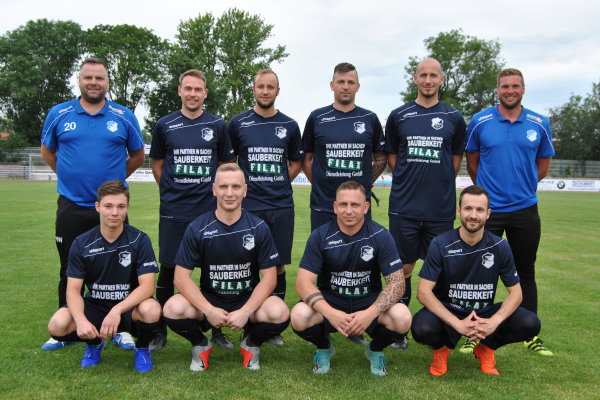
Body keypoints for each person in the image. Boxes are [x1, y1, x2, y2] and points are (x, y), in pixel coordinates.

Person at [40, 57, 145, 351]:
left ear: (107, 82)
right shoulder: (59, 113)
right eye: (88, 78)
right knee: (69, 269)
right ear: (80, 80)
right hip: (72, 205)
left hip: (112, 207)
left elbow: (137, 156)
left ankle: (122, 326)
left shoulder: (123, 116)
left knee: (120, 268)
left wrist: (111, 188)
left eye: (99, 78)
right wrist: (69, 176)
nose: (94, 83)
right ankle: (68, 325)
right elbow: (48, 151)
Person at [162, 163, 290, 371]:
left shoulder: (259, 227)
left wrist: (246, 311)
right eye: (223, 187)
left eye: (236, 187)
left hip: (247, 297)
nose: (229, 193)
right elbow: (180, 277)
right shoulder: (197, 227)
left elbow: (269, 278)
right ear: (214, 190)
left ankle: (251, 344)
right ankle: (201, 345)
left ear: (245, 190)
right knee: (172, 308)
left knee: (280, 312)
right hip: (210, 297)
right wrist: (208, 310)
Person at [466, 68, 554, 356]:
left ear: (523, 89)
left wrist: (522, 186)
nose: (510, 90)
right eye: (505, 86)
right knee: (481, 274)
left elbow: (542, 167)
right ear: (498, 89)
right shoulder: (480, 121)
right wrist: (489, 196)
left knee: (525, 271)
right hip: (489, 212)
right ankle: (473, 331)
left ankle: (531, 333)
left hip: (525, 209)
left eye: (515, 86)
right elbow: (473, 163)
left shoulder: (540, 123)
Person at [411, 185, 541, 375]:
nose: (473, 215)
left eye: (479, 210)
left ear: (488, 214)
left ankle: (486, 349)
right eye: (468, 208)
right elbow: (423, 292)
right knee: (422, 327)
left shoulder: (500, 245)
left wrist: (494, 321)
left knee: (530, 323)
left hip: (484, 312)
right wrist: (457, 324)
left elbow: (517, 294)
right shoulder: (441, 243)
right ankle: (441, 350)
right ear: (459, 211)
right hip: (451, 309)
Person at [384, 58, 466, 350]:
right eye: (423, 75)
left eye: (434, 75)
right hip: (404, 208)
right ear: (415, 79)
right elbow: (394, 158)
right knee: (402, 269)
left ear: (442, 79)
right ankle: (399, 329)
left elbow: (454, 161)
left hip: (439, 209)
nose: (428, 80)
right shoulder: (399, 115)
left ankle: (441, 330)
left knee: (440, 272)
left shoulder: (454, 117)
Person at [150, 69, 234, 350]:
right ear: (179, 91)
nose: (193, 94)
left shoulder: (218, 126)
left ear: (205, 93)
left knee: (216, 270)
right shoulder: (164, 124)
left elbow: (225, 166)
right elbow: (158, 166)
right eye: (188, 89)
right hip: (174, 209)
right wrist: (174, 191)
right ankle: (159, 328)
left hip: (210, 210)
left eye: (198, 89)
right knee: (169, 267)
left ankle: (218, 328)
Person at [291, 181, 411, 376]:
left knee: (402, 317)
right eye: (343, 204)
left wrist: (370, 313)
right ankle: (323, 348)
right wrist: (330, 313)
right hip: (331, 298)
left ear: (365, 207)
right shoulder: (320, 236)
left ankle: (375, 350)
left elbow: (398, 283)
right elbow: (303, 284)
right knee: (299, 315)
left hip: (368, 299)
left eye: (355, 205)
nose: (348, 210)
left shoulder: (381, 235)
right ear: (335, 207)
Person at [46, 180, 162, 373]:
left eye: (120, 206)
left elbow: (147, 287)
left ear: (128, 207)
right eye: (108, 206)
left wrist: (117, 311)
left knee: (152, 309)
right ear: (98, 206)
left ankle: (141, 349)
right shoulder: (81, 243)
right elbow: (73, 289)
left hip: (128, 306)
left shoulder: (139, 240)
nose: (115, 213)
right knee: (58, 325)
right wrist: (81, 320)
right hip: (96, 304)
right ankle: (95, 343)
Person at [228, 69, 304, 346]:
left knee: (278, 265)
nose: (265, 91)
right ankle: (247, 321)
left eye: (270, 87)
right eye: (261, 86)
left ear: (277, 91)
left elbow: (295, 162)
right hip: (248, 206)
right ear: (254, 89)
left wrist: (280, 180)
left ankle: (273, 326)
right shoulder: (238, 123)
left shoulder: (290, 125)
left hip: (281, 205)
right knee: (247, 265)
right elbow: (230, 160)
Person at [302, 62, 386, 231]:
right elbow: (306, 158)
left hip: (359, 206)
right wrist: (319, 183)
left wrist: (363, 185)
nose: (345, 87)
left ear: (358, 86)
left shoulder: (370, 118)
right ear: (332, 85)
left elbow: (381, 158)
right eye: (341, 82)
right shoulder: (317, 117)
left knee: (361, 256)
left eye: (350, 82)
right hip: (323, 206)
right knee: (323, 256)